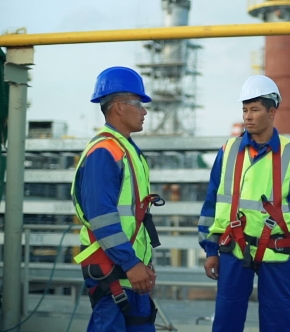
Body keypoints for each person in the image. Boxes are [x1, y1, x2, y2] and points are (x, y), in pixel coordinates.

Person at [197, 75, 290, 332]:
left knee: (279, 322)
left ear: (272, 112)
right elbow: (212, 201)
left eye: (254, 110)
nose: (248, 116)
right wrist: (210, 250)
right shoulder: (228, 151)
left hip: (278, 251)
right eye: (244, 110)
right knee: (226, 322)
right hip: (233, 249)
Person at [72, 66, 164, 332]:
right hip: (112, 271)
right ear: (119, 107)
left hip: (128, 270)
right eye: (139, 104)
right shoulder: (104, 151)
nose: (145, 111)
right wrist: (132, 263)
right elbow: (102, 217)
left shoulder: (125, 148)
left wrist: (142, 264)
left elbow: (134, 217)